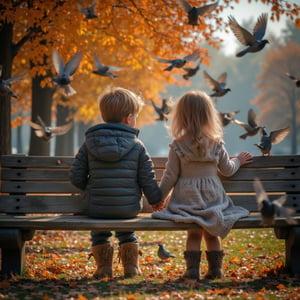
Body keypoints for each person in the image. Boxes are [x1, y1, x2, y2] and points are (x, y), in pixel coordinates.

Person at [152, 90, 253, 281]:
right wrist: (238, 160)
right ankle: (216, 271)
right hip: (213, 199)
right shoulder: (216, 143)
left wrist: (160, 198)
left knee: (194, 233)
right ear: (209, 115)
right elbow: (228, 170)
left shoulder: (178, 145)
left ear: (181, 117)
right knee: (211, 233)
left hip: (187, 200)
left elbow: (170, 175)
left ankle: (192, 272)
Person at [69, 87, 161, 279]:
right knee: (127, 232)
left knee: (99, 233)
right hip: (127, 209)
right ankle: (131, 268)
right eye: (135, 116)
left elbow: (76, 178)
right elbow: (147, 179)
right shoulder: (137, 146)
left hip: (97, 207)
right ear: (129, 118)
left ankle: (103, 268)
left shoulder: (89, 143)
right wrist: (156, 200)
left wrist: (92, 188)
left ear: (104, 118)